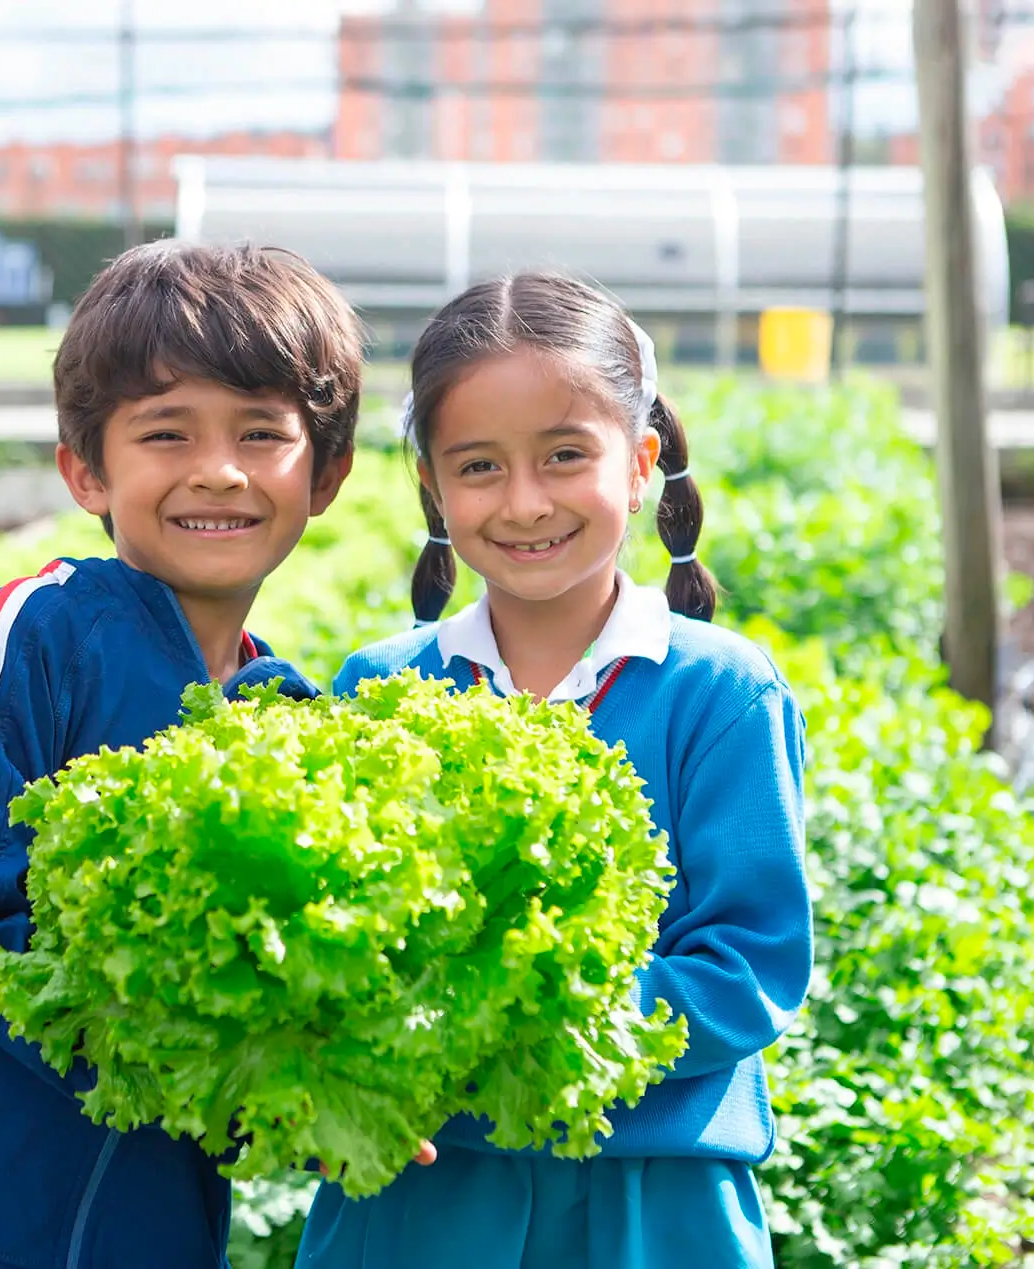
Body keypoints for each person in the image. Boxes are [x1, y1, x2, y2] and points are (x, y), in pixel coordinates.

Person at [0, 240, 365, 1269]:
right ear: (87, 469)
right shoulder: (37, 632)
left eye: (262, 434)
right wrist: (172, 1058)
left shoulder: (295, 725)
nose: (217, 471)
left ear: (327, 473)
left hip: (152, 1238)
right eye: (166, 433)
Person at [299, 272, 812, 1269]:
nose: (525, 502)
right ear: (432, 489)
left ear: (641, 462)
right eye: (480, 466)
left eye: (566, 456)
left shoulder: (720, 693)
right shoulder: (379, 687)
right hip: (418, 1198)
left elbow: (749, 964)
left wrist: (519, 1029)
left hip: (651, 1207)